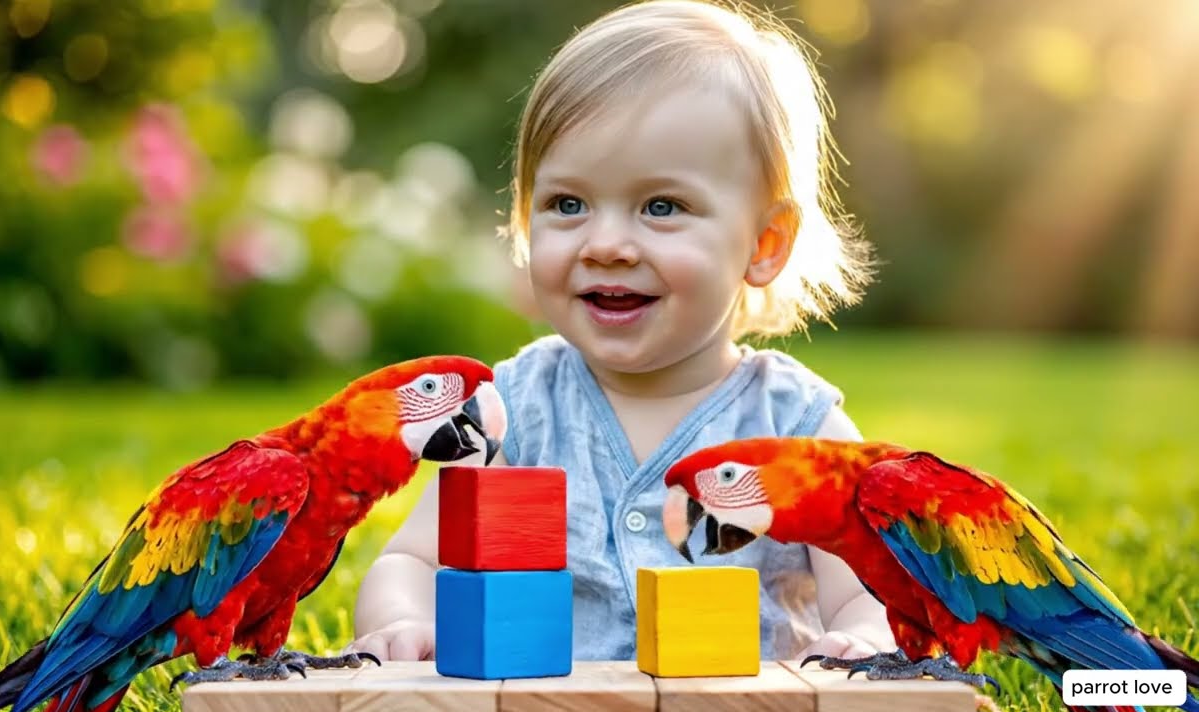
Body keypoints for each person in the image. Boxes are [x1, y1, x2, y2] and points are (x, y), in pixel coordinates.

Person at [348, 0, 892, 665]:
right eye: (567, 204)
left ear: (765, 242)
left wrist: (865, 639)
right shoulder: (507, 414)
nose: (605, 244)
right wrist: (405, 619)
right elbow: (409, 561)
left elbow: (872, 595)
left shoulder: (801, 430)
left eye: (661, 206)